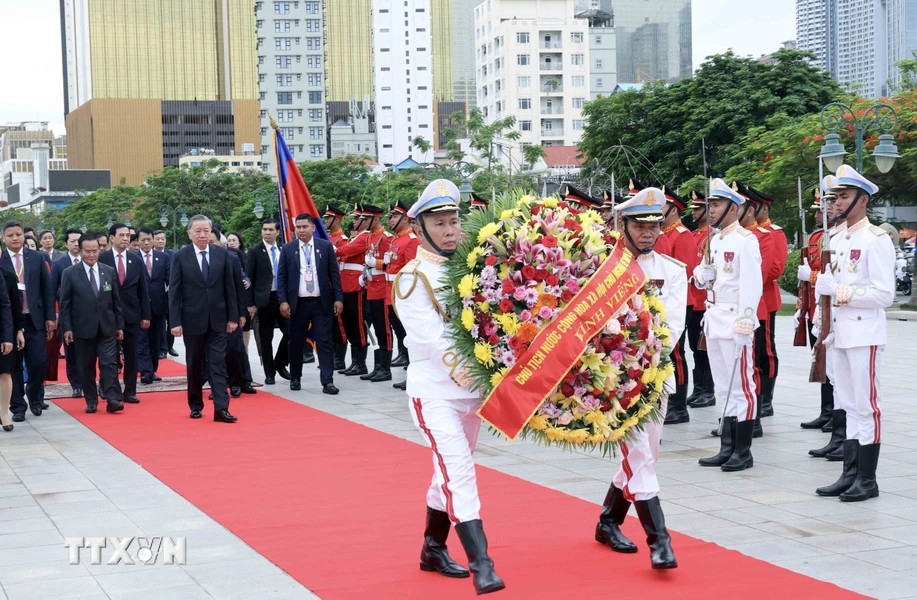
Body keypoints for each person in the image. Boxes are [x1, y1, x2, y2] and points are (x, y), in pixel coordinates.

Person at [394, 179, 504, 595]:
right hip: (435, 391)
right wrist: (483, 376)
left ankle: (432, 548)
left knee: (446, 474)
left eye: (454, 221)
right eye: (439, 223)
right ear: (419, 228)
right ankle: (483, 564)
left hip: (471, 394)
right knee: (459, 470)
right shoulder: (411, 279)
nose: (450, 230)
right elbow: (433, 342)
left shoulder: (473, 268)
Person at [595, 187, 685, 570]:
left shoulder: (672, 271)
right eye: (639, 225)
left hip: (654, 373)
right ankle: (659, 540)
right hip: (617, 378)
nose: (648, 232)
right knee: (640, 456)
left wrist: (645, 359)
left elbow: (673, 327)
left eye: (654, 225)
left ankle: (608, 521)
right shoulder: (603, 268)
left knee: (648, 454)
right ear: (623, 224)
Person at [814, 166, 895, 502]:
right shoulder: (839, 238)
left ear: (862, 199)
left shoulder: (876, 240)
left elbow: (884, 295)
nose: (835, 203)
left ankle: (867, 479)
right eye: (835, 197)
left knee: (866, 406)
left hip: (863, 332)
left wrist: (841, 291)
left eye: (843, 196)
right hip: (839, 333)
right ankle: (848, 474)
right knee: (846, 405)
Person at [692, 178, 762, 472]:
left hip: (735, 318)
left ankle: (742, 451)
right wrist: (702, 275)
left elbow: (752, 284)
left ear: (733, 208)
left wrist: (747, 319)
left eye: (716, 204)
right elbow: (705, 281)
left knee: (741, 386)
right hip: (715, 316)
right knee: (722, 386)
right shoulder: (714, 240)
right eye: (709, 204)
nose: (710, 210)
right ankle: (726, 446)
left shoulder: (746, 240)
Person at [168, 215, 241, 423]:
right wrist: (175, 322)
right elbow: (174, 291)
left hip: (218, 319)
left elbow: (230, 289)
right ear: (189, 233)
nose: (202, 235)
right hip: (192, 321)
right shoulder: (180, 256)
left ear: (211, 232)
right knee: (195, 364)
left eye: (206, 231)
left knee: (218, 364)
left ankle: (221, 408)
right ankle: (195, 404)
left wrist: (233, 317)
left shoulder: (222, 254)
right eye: (198, 231)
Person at [59, 234, 126, 414]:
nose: (91, 255)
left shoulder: (108, 271)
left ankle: (113, 398)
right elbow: (65, 304)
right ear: (80, 251)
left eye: (95, 251)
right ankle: (91, 400)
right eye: (87, 251)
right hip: (82, 329)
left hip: (107, 327)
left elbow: (116, 302)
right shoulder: (70, 273)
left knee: (109, 363)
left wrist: (119, 326)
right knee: (86, 366)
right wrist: (67, 328)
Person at [277, 214, 343, 395]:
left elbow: (334, 274)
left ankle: (327, 381)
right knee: (295, 342)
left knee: (324, 341)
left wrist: (338, 298)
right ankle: (295, 377)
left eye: (304, 226)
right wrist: (283, 301)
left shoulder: (325, 246)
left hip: (321, 303)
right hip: (297, 303)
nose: (301, 230)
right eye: (298, 227)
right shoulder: (288, 249)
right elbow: (281, 277)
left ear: (313, 228)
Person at [1, 221, 55, 421]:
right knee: (13, 364)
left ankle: (34, 395)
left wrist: (50, 317)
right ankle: (18, 406)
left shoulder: (37, 258)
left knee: (39, 361)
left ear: (23, 236)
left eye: (18, 234)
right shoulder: (2, 258)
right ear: (4, 238)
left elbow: (46, 289)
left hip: (34, 317)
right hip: (10, 320)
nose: (15, 238)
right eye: (10, 235)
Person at [99, 223, 150, 404]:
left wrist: (146, 315)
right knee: (109, 356)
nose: (125, 239)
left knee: (131, 354)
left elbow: (143, 290)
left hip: (132, 314)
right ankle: (108, 388)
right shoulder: (102, 259)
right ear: (111, 237)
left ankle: (130, 391)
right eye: (121, 235)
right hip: (108, 315)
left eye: (128, 236)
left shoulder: (135, 260)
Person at [657, 186, 696, 425]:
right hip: (662, 300)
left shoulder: (682, 235)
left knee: (677, 354)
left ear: (674, 209)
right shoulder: (664, 234)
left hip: (681, 301)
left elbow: (686, 270)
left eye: (662, 206)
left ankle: (679, 405)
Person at [799, 180, 835, 431]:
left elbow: (829, 277)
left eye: (821, 210)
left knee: (833, 365)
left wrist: (809, 276)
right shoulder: (816, 236)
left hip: (831, 308)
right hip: (815, 309)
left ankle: (836, 413)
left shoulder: (835, 237)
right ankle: (826, 411)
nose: (816, 214)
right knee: (820, 360)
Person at [343, 204, 393, 382]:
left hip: (383, 287)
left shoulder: (386, 237)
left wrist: (375, 264)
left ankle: (385, 368)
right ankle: (378, 366)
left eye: (366, 219)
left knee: (384, 329)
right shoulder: (370, 237)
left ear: (376, 219)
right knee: (377, 329)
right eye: (361, 219)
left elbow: (390, 263)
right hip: (371, 286)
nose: (362, 222)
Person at [749, 186, 787, 419]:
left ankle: (767, 400)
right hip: (750, 299)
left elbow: (775, 268)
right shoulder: (747, 233)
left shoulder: (773, 233)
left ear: (763, 208)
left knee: (766, 351)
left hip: (765, 297)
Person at [246, 219, 291, 384]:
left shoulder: (284, 249)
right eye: (264, 229)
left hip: (282, 298)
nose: (267, 233)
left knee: (291, 332)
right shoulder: (255, 251)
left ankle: (280, 362)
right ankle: (269, 372)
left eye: (271, 230)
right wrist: (251, 303)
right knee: (266, 337)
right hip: (264, 299)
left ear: (278, 232)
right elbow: (249, 278)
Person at [335, 204, 375, 376]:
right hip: (346, 284)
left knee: (358, 325)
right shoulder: (358, 236)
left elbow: (347, 251)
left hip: (354, 285)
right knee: (350, 325)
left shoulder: (364, 237)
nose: (355, 221)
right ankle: (355, 362)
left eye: (358, 218)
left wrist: (334, 250)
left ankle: (361, 363)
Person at [386, 200, 421, 391]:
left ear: (405, 218)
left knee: (407, 334)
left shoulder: (411, 240)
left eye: (394, 216)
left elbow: (410, 270)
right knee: (401, 333)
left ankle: (412, 374)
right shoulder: (396, 239)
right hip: (390, 292)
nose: (390, 220)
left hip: (401, 293)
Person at [686, 191, 716, 409]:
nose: (694, 212)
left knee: (705, 348)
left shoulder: (712, 236)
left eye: (698, 208)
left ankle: (708, 390)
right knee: (695, 348)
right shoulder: (695, 235)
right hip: (693, 299)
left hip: (705, 299)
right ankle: (698, 388)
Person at [51, 228, 85, 397]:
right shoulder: (59, 264)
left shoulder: (89, 260)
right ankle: (76, 385)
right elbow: (52, 289)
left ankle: (88, 380)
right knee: (71, 350)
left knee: (88, 350)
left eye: (79, 241)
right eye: (72, 241)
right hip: (68, 314)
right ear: (66, 244)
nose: (76, 244)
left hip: (88, 314)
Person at [136, 227, 170, 384]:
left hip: (159, 305)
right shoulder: (133, 258)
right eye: (143, 240)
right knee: (142, 339)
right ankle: (145, 371)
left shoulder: (163, 257)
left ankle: (153, 369)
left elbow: (170, 279)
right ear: (138, 241)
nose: (146, 242)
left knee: (156, 340)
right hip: (139, 307)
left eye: (149, 239)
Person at [322, 205, 350, 370]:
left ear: (337, 220)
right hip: (326, 286)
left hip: (336, 285)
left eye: (328, 218)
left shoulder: (342, 240)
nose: (326, 221)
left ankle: (339, 358)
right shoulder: (328, 239)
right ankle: (332, 356)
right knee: (330, 324)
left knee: (339, 324)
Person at [0, 264, 24, 431]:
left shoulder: (2, 276)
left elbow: (5, 306)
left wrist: (8, 336)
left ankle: (3, 413)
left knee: (5, 372)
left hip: (1, 333)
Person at [153, 230, 178, 358]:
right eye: (158, 238)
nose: (161, 241)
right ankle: (162, 347)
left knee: (172, 321)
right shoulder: (150, 255)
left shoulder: (172, 255)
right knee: (161, 323)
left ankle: (169, 345)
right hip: (158, 295)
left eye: (163, 238)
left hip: (171, 293)